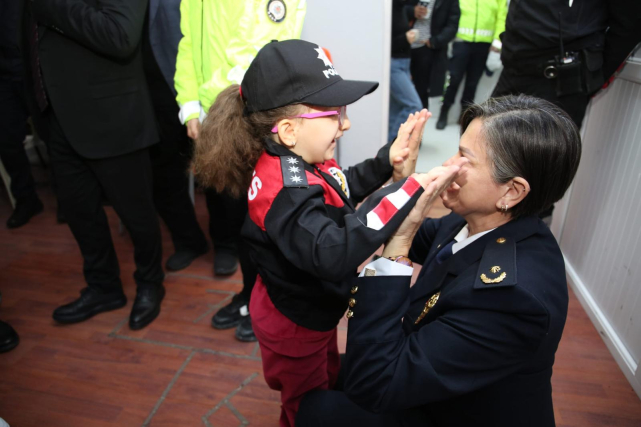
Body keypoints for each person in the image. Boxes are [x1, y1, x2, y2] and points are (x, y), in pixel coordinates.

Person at [193, 39, 450, 427]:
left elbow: (338, 187)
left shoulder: (299, 161)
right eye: (334, 114)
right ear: (289, 130)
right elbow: (332, 251)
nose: (345, 124)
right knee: (306, 407)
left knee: (326, 377)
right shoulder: (284, 191)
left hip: (313, 313)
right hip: (295, 325)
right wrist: (407, 191)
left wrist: (386, 161)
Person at [297, 95, 582, 427]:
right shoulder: (477, 220)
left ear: (512, 192)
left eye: (464, 158)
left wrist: (397, 246)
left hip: (456, 413)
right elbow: (417, 235)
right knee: (326, 373)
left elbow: (376, 385)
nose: (449, 165)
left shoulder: (511, 297)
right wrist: (403, 184)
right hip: (425, 371)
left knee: (317, 409)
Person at [20, 0, 165, 330]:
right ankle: (103, 287)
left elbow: (120, 36)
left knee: (136, 213)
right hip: (56, 116)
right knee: (79, 213)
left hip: (112, 114)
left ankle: (150, 283)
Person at [175, 0, 307, 341]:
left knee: (267, 221)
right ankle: (251, 294)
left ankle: (271, 302)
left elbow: (268, 45)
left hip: (254, 112)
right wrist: (189, 104)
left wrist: (223, 107)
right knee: (239, 221)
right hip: (217, 116)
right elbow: (189, 44)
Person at [491, 0, 641, 130]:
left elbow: (629, 24)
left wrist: (593, 74)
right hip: (512, 72)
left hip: (558, 85)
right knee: (483, 145)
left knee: (539, 155)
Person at [143, 0, 208, 271]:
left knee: (216, 171)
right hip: (146, 95)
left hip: (193, 89)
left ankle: (227, 244)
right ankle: (189, 241)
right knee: (163, 176)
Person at [0, 0, 43, 229]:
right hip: (4, 76)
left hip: (34, 65)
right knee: (6, 141)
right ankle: (26, 200)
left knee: (54, 134)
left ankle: (68, 199)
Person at [435, 0, 507, 129]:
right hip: (461, 42)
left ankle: (464, 116)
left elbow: (502, 18)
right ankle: (444, 112)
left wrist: (497, 42)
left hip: (484, 45)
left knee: (472, 83)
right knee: (453, 79)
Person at [408, 0, 461, 111]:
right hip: (402, 46)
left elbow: (452, 25)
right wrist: (412, 11)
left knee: (421, 91)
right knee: (399, 91)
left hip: (426, 49)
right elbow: (397, 9)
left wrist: (434, 41)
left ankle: (420, 120)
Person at [388, 0, 424, 144]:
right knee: (413, 105)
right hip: (394, 64)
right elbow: (383, 43)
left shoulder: (401, 7)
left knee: (396, 109)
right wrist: (405, 38)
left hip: (403, 63)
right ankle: (392, 146)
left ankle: (388, 146)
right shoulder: (389, 8)